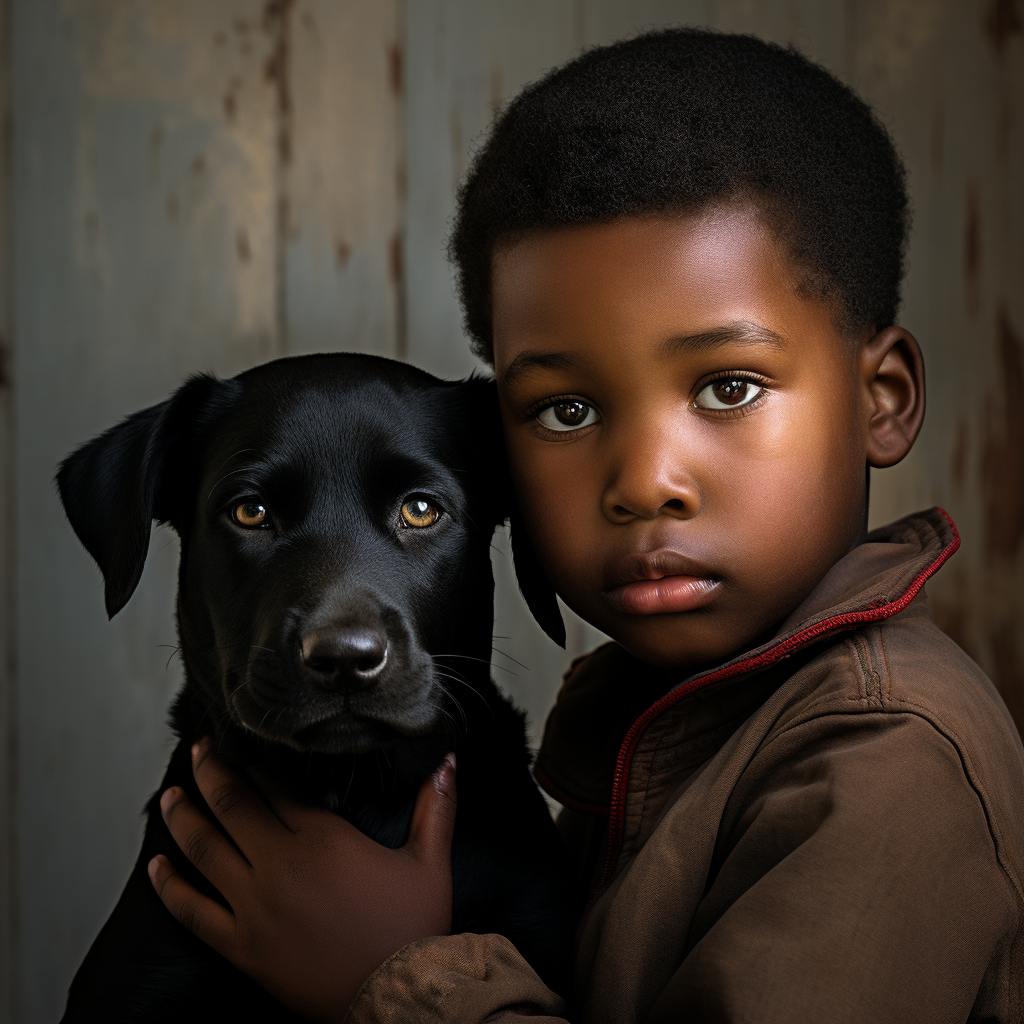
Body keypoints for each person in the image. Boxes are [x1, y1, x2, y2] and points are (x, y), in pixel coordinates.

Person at [146, 28, 1024, 1023]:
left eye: (727, 386)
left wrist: (392, 972)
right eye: (567, 410)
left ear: (882, 398)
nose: (644, 482)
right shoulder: (665, 725)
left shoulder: (883, 755)